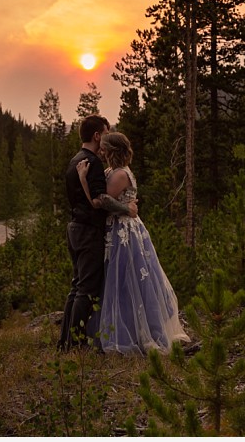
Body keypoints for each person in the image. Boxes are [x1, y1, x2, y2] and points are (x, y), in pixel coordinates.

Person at [76, 131, 189, 354]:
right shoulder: (113, 171)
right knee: (118, 283)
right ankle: (120, 330)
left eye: (105, 148)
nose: (102, 151)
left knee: (125, 283)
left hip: (122, 233)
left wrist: (82, 180)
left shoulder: (120, 175)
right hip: (117, 230)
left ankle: (133, 336)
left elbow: (100, 201)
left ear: (113, 151)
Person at [58, 115, 137, 352]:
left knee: (77, 286)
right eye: (106, 132)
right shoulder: (91, 163)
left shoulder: (75, 160)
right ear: (96, 136)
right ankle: (77, 343)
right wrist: (128, 209)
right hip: (88, 232)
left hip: (74, 228)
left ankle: (66, 341)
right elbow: (100, 200)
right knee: (86, 289)